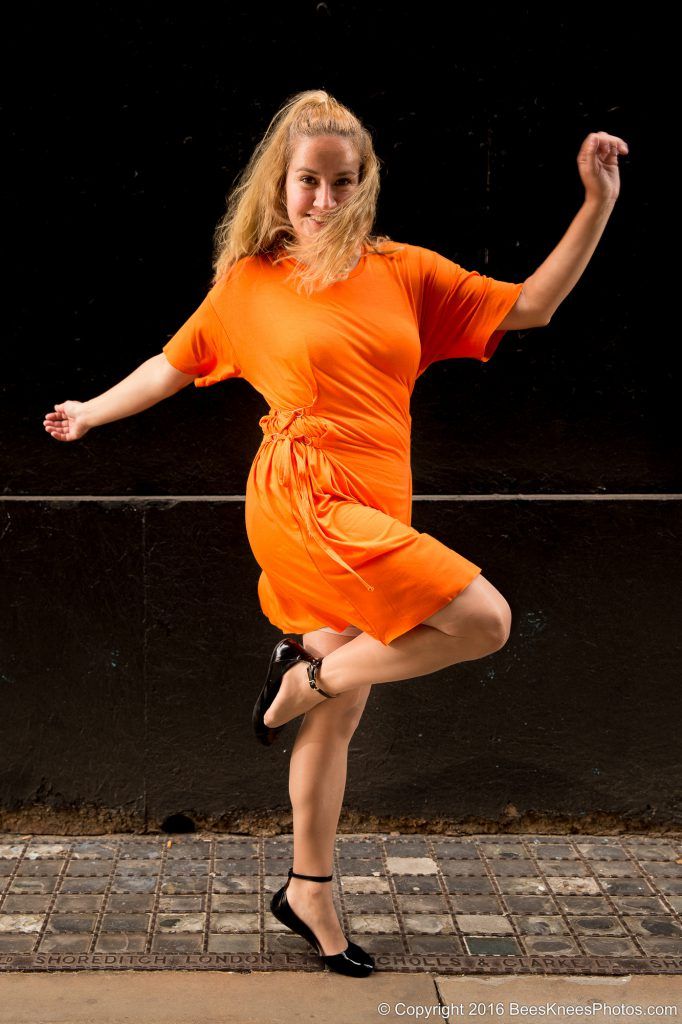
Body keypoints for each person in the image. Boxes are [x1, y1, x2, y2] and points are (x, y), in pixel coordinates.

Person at [43, 89, 628, 978]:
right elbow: (172, 365)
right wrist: (90, 411)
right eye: (306, 181)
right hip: (304, 500)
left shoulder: (406, 272)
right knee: (485, 622)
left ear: (365, 183)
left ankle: (307, 884)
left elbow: (530, 307)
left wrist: (597, 204)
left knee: (339, 712)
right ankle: (304, 675)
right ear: (280, 183)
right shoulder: (251, 283)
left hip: (379, 503)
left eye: (340, 182)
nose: (322, 199)